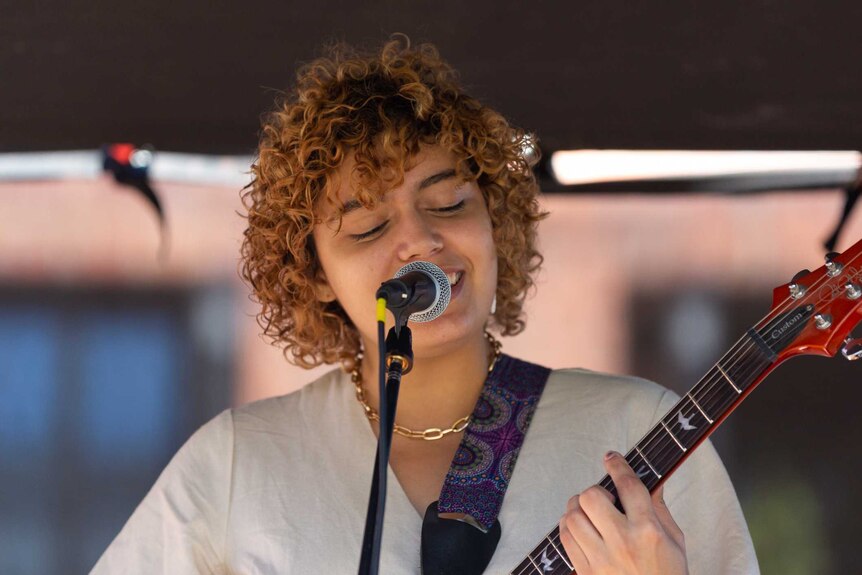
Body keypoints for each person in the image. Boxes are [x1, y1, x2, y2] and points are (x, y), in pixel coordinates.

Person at [91, 36, 759, 574]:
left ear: (495, 220)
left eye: (448, 203)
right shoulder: (238, 464)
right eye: (369, 227)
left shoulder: (642, 429)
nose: (420, 240)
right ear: (315, 272)